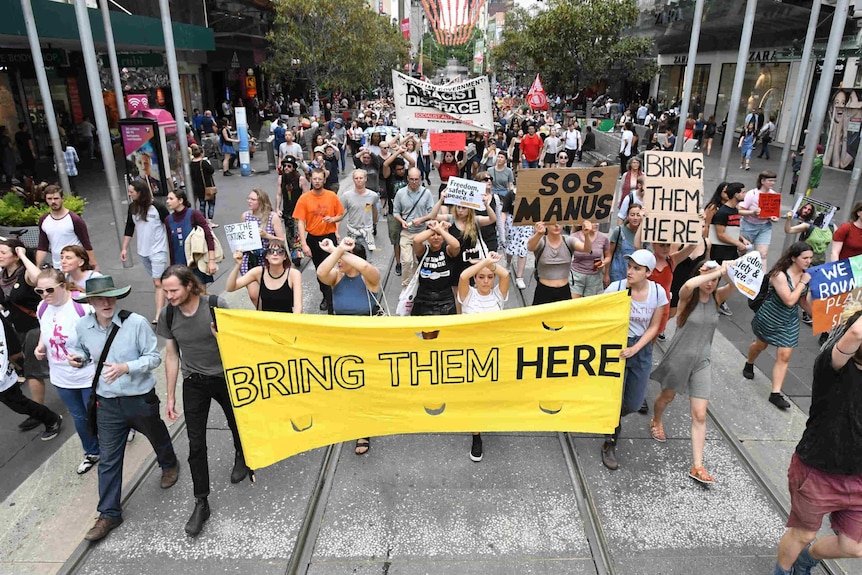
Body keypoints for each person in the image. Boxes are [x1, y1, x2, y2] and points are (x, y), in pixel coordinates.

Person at [70, 276, 179, 542]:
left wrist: (126, 367)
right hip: (106, 402)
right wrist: (78, 359)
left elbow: (154, 356)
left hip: (139, 397)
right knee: (108, 459)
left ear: (117, 298)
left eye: (111, 297)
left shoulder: (136, 323)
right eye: (99, 299)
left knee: (156, 434)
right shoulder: (83, 326)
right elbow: (81, 351)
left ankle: (169, 463)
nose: (106, 303)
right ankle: (108, 513)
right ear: (91, 302)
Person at [769, 305, 862, 575]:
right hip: (817, 471)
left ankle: (805, 560)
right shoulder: (832, 366)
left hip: (857, 477)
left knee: (854, 547)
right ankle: (782, 572)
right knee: (803, 533)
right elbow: (856, 330)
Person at [159, 265, 250, 537]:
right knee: (196, 444)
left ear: (189, 285)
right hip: (194, 381)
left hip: (224, 376)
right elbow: (172, 355)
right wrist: (171, 395)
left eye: (174, 290)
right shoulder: (168, 314)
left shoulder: (214, 304)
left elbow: (239, 340)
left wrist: (219, 336)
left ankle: (241, 454)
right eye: (165, 291)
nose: (169, 296)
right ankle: (202, 501)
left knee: (237, 424)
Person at [650, 260, 735, 484]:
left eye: (715, 279)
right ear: (700, 274)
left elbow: (737, 285)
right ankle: (656, 419)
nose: (711, 282)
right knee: (666, 397)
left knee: (699, 414)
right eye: (707, 276)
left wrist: (735, 268)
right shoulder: (688, 296)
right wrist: (714, 272)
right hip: (679, 357)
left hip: (702, 362)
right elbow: (688, 285)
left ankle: (697, 466)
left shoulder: (717, 297)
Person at [601, 249, 668, 470]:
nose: (630, 271)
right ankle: (610, 436)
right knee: (613, 394)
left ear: (647, 272)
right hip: (616, 347)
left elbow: (655, 326)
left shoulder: (657, 292)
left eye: (636, 268)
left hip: (640, 350)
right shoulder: (616, 288)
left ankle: (612, 417)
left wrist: (636, 347)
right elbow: (596, 312)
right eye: (629, 267)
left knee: (634, 402)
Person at [317, 237, 383, 454]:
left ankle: (363, 429)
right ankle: (349, 418)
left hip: (366, 338)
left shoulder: (369, 279)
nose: (338, 260)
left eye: (343, 258)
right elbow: (320, 273)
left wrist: (339, 249)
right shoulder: (337, 277)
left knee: (363, 384)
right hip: (342, 337)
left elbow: (365, 266)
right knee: (345, 382)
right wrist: (337, 252)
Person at [33, 268, 98, 473]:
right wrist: (40, 346)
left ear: (62, 286)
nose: (45, 295)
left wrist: (85, 357)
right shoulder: (42, 307)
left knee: (98, 412)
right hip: (61, 375)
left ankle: (120, 436)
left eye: (49, 290)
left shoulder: (82, 305)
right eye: (39, 291)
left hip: (88, 372)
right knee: (79, 416)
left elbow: (100, 336)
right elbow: (45, 331)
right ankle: (92, 452)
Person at [743, 242, 814, 410]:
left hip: (789, 321)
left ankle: (775, 393)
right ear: (793, 258)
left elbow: (801, 301)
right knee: (760, 345)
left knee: (784, 355)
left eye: (810, 258)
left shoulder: (806, 275)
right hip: (770, 317)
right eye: (805, 258)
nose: (808, 261)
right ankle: (749, 362)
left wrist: (817, 316)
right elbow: (790, 300)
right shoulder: (779, 275)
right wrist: (803, 283)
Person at [458, 252, 510, 462]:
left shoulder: (498, 294)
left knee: (489, 394)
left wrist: (487, 265)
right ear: (475, 279)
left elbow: (505, 275)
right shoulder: (468, 294)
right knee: (473, 397)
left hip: (494, 353)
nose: (486, 281)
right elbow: (463, 277)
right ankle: (476, 436)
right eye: (481, 277)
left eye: (490, 277)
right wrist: (484, 263)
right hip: (471, 353)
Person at [0, 239, 51, 431]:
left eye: (3, 252)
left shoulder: (25, 275)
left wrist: (23, 255)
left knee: (31, 371)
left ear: (15, 255)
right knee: (39, 366)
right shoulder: (3, 276)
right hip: (17, 329)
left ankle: (39, 412)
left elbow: (39, 279)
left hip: (35, 327)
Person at [293, 168, 344, 312]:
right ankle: (326, 296)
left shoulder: (332, 196)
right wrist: (303, 244)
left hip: (329, 238)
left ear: (324, 180)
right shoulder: (304, 199)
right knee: (320, 271)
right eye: (314, 179)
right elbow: (300, 222)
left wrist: (332, 219)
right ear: (310, 179)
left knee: (331, 270)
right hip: (313, 239)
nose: (317, 181)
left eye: (320, 179)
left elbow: (340, 214)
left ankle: (332, 302)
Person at [121, 181, 169, 324]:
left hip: (158, 250)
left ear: (140, 192)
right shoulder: (132, 208)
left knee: (157, 282)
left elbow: (169, 223)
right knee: (159, 281)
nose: (129, 194)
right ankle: (172, 298)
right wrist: (124, 248)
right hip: (143, 251)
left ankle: (160, 314)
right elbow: (129, 229)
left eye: (132, 192)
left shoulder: (158, 207)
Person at [527, 221, 593, 305]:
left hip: (564, 290)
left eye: (559, 223)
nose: (556, 225)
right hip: (544, 291)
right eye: (552, 223)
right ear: (546, 224)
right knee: (541, 318)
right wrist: (538, 234)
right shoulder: (541, 241)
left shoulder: (568, 240)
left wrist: (587, 235)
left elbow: (586, 249)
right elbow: (530, 247)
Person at [227, 239, 301, 313]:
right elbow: (230, 288)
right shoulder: (258, 272)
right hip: (265, 321)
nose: (275, 254)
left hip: (287, 321)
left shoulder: (293, 274)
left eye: (280, 252)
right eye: (271, 251)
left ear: (285, 257)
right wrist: (238, 265)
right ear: (266, 256)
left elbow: (298, 308)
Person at [239, 189, 285, 307]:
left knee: (270, 293)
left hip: (268, 259)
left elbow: (281, 240)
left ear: (261, 201)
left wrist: (267, 236)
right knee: (254, 294)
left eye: (253, 199)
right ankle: (261, 313)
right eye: (248, 198)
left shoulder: (272, 217)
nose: (249, 201)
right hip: (251, 259)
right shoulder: (246, 216)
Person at [36, 185, 98, 271]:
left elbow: (86, 243)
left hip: (77, 266)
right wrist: (37, 266)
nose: (53, 202)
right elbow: (42, 246)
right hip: (58, 266)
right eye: (49, 199)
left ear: (62, 198)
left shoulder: (74, 219)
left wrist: (94, 264)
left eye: (56, 198)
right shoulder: (44, 220)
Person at [164, 190, 218, 287]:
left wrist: (211, 261)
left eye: (171, 199)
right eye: (168, 198)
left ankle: (214, 301)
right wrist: (172, 267)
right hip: (180, 264)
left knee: (201, 294)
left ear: (180, 200)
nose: (167, 201)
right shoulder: (168, 220)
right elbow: (171, 245)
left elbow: (208, 236)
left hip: (196, 261)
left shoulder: (194, 214)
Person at [393, 168, 436, 288]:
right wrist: (401, 221)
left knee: (418, 261)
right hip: (406, 232)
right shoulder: (401, 193)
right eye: (411, 179)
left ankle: (416, 285)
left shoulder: (426, 193)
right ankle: (405, 286)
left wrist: (422, 220)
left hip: (421, 232)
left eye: (416, 179)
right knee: (406, 261)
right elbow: (396, 211)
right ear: (407, 179)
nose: (414, 182)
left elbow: (431, 213)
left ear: (420, 179)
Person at [410, 220, 461, 316]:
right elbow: (416, 240)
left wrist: (441, 230)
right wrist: (435, 228)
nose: (436, 238)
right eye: (432, 235)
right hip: (424, 297)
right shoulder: (423, 250)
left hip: (445, 298)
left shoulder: (447, 250)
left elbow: (456, 245)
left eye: (439, 235)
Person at [738, 170, 780, 260]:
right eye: (770, 180)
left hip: (765, 227)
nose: (772, 183)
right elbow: (739, 210)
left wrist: (774, 218)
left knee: (763, 254)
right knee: (742, 251)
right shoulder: (752, 194)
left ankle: (762, 274)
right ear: (762, 181)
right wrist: (752, 212)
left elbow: (775, 215)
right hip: (748, 225)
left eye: (774, 181)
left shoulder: (774, 195)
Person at [342, 169, 380, 252]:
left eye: (361, 178)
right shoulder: (346, 196)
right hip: (352, 232)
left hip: (367, 231)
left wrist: (374, 223)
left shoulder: (373, 195)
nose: (359, 180)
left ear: (365, 179)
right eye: (356, 178)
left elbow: (374, 210)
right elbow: (340, 213)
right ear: (353, 179)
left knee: (367, 260)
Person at [606, 203, 644, 285]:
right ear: (627, 216)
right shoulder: (619, 231)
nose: (635, 218)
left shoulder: (645, 235)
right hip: (617, 275)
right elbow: (609, 253)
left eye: (638, 215)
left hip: (635, 276)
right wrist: (606, 274)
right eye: (632, 215)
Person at [570, 225, 610, 298]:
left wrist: (603, 263)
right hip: (577, 275)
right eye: (592, 222)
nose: (597, 224)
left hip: (594, 276)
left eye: (597, 222)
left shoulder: (603, 238)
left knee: (590, 304)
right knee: (574, 303)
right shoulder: (574, 237)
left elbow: (608, 256)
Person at [189, 144, 217, 228]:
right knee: (211, 203)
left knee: (202, 204)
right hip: (207, 186)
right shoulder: (204, 162)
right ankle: (210, 221)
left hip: (197, 187)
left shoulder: (191, 164)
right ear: (201, 153)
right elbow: (211, 170)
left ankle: (203, 221)